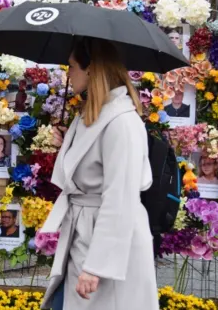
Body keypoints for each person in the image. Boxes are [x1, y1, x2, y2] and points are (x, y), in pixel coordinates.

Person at [40, 37, 158, 310]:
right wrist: (68, 143)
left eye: (71, 66)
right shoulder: (95, 114)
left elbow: (120, 197)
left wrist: (96, 266)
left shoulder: (121, 122)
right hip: (85, 233)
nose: (67, 73)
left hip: (107, 243)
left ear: (91, 68)